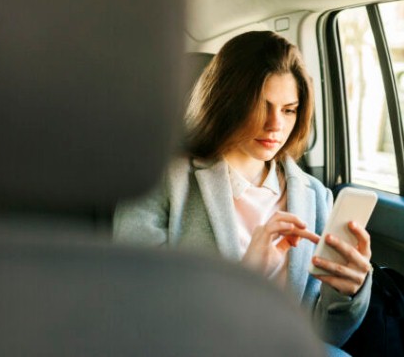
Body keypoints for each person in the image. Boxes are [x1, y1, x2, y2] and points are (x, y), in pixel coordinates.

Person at [113, 30, 372, 351]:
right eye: (260, 106)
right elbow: (135, 303)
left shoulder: (316, 197)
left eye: (288, 109)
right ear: (226, 102)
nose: (275, 125)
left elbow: (325, 334)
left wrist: (347, 295)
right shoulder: (163, 180)